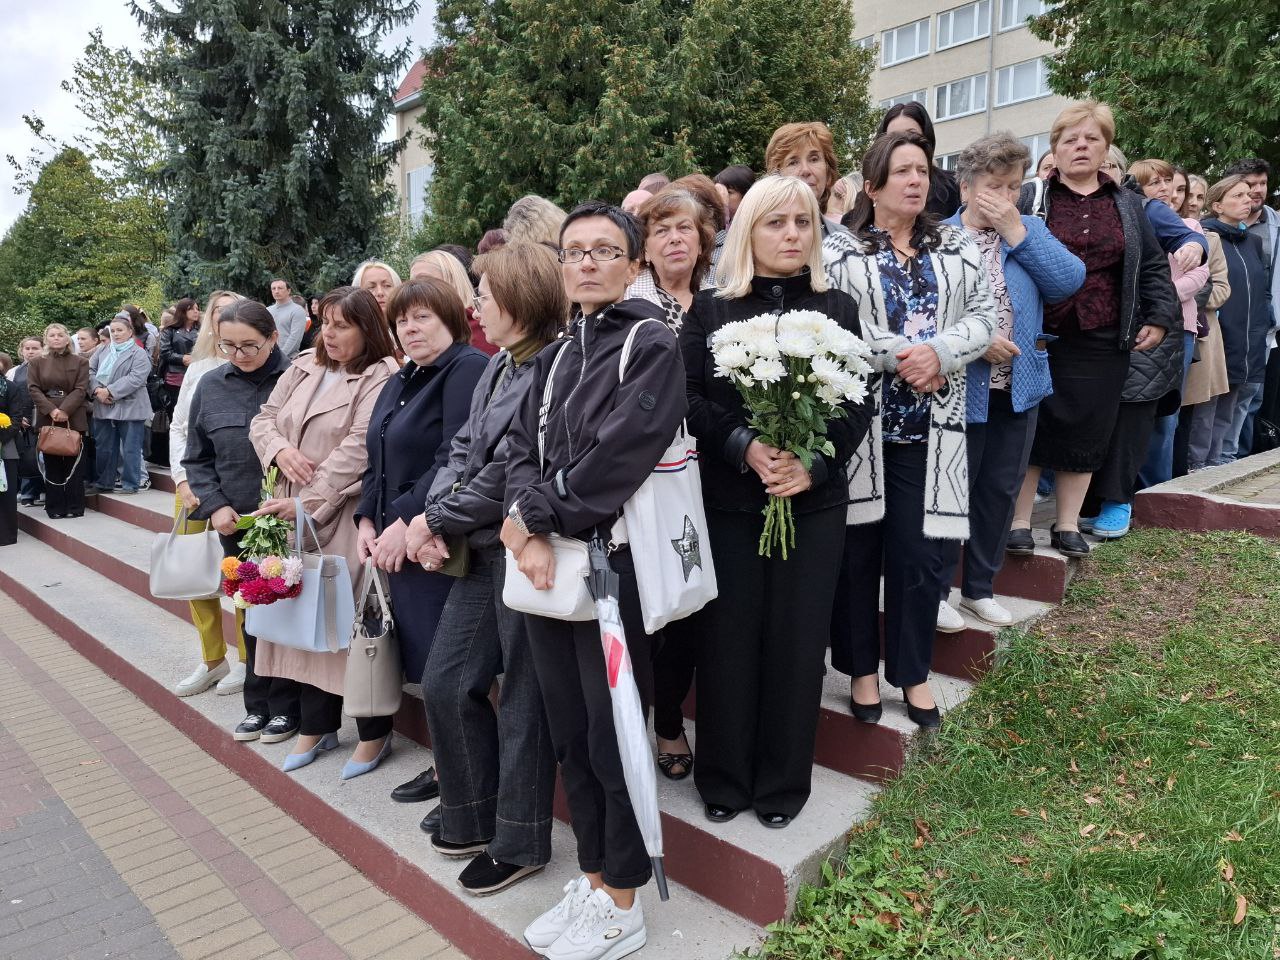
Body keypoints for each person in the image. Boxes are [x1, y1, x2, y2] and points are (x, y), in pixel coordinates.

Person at [501, 201, 686, 959]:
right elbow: (519, 446)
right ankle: (594, 874)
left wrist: (537, 521)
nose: (585, 262)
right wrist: (528, 522)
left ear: (634, 265)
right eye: (574, 251)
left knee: (612, 734)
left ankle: (626, 898)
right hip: (551, 565)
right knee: (570, 731)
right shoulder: (553, 355)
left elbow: (622, 452)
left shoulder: (650, 342)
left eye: (604, 250)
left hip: (612, 567)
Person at [683, 175, 873, 826]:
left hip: (812, 508)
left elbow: (855, 402)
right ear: (748, 232)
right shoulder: (710, 311)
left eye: (803, 222)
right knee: (728, 641)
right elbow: (690, 398)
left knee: (796, 643)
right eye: (776, 222)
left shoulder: (838, 308)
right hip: (732, 503)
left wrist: (812, 468)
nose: (792, 234)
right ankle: (725, 780)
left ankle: (782, 786)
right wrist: (744, 446)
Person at [404, 242, 567, 894]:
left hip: (523, 550)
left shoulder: (552, 366)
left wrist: (433, 519)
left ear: (519, 300)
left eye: (486, 293)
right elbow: (464, 449)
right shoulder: (501, 364)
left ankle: (521, 838)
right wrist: (434, 512)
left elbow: (506, 476)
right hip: (479, 549)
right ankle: (471, 812)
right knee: (446, 680)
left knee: (527, 699)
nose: (476, 303)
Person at [824, 131, 995, 728]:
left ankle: (913, 673)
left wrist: (941, 353)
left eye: (922, 170)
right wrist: (904, 355)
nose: (916, 181)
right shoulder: (842, 252)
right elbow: (839, 326)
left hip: (932, 427)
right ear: (872, 186)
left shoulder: (957, 244)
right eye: (901, 171)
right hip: (863, 429)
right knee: (857, 553)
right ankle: (862, 672)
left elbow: (985, 316)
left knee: (920, 560)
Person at [1007, 102, 1177, 558]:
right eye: (1070, 139)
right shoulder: (1031, 197)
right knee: (1033, 425)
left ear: (1105, 149)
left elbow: (1154, 266)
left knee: (1089, 428)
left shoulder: (1128, 204)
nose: (1081, 147)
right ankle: (1020, 521)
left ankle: (1066, 525)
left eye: (1091, 139)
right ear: (1055, 148)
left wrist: (1159, 317)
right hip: (1038, 333)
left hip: (1103, 335)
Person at [935, 133, 1084, 628]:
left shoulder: (1028, 231)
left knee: (1000, 489)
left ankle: (980, 587)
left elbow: (1067, 281)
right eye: (993, 184)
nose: (1004, 195)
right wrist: (977, 343)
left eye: (1013, 185)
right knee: (953, 490)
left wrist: (1018, 230)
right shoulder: (940, 237)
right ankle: (938, 591)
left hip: (1019, 385)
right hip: (960, 388)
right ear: (966, 186)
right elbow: (929, 316)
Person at [249, 287, 399, 774]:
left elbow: (359, 446)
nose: (329, 334)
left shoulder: (381, 374)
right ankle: (317, 726)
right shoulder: (302, 366)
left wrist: (306, 503)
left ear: (367, 329)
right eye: (325, 323)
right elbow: (264, 418)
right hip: (286, 507)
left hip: (339, 512)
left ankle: (374, 734)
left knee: (342, 626)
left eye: (343, 325)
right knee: (303, 623)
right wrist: (278, 451)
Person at [352, 279, 487, 781]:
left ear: (452, 318)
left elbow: (456, 456)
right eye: (402, 320)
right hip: (394, 538)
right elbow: (378, 457)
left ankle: (462, 768)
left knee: (448, 664)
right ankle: (447, 761)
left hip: (437, 535)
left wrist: (405, 519)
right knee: (427, 659)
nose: (410, 328)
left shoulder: (465, 369)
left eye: (423, 317)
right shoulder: (402, 378)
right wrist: (368, 517)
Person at [184, 299, 300, 743]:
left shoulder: (298, 379)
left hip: (290, 519)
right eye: (229, 346)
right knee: (252, 614)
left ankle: (290, 706)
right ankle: (258, 704)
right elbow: (197, 456)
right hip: (238, 522)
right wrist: (214, 505)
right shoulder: (212, 385)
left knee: (289, 614)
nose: (240, 355)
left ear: (273, 337)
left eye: (250, 345)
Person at [169, 291, 249, 698]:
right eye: (218, 312)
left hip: (236, 488)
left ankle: (248, 660)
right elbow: (180, 426)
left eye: (234, 311)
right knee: (193, 575)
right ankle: (212, 659)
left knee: (240, 576)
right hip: (193, 487)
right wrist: (182, 481)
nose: (226, 318)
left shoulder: (258, 367)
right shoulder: (200, 368)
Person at [1131, 160, 1210, 491]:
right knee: (1131, 413)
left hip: (1179, 328)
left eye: (1169, 182)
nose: (1164, 189)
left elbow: (1200, 276)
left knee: (1165, 417)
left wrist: (1156, 298)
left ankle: (1156, 492)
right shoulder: (1133, 221)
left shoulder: (1189, 225)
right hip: (1133, 326)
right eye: (1154, 183)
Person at [1201, 175, 1272, 464]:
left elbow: (1262, 290)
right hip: (1219, 336)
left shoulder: (1253, 242)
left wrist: (1262, 326)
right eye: (1239, 195)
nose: (1248, 199)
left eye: (1249, 194)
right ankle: (1199, 465)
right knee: (1209, 409)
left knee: (1239, 405)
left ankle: (1224, 461)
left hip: (1251, 338)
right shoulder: (1205, 237)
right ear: (1217, 205)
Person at [1221, 158, 1280, 456]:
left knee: (1256, 399)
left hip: (1268, 327)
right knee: (1230, 399)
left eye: (1262, 184)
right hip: (1232, 326)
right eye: (1249, 186)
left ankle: (1245, 458)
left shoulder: (1274, 224)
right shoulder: (1219, 230)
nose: (1257, 191)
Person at [1181, 212, 1232, 471]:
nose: (1191, 203)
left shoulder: (1211, 241)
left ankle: (1195, 465)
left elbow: (1221, 288)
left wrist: (1189, 294)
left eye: (1198, 198)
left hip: (1202, 333)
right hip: (1163, 329)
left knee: (1202, 407)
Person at [27, 325, 90, 519]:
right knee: (52, 463)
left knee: (74, 463)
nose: (56, 338)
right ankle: (54, 507)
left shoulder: (80, 361)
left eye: (60, 335)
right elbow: (33, 388)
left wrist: (64, 410)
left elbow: (81, 389)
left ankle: (74, 506)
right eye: (52, 335)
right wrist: (52, 410)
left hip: (73, 414)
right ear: (46, 339)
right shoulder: (37, 362)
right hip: (48, 415)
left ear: (67, 339)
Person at [626, 188, 716, 322]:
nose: (675, 238)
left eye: (684, 227)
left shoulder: (720, 300)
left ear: (700, 244)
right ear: (645, 249)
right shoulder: (625, 299)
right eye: (662, 230)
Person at [86, 316, 152, 497]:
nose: (115, 334)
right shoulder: (102, 350)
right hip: (103, 405)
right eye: (113, 331)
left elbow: (136, 378)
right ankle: (104, 482)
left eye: (120, 330)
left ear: (130, 332)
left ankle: (131, 483)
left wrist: (110, 391)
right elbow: (89, 371)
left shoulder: (139, 353)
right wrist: (97, 390)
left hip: (130, 405)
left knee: (130, 447)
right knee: (104, 447)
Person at [876, 102, 961, 218]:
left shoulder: (954, 185)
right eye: (893, 136)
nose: (903, 142)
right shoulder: (870, 191)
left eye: (911, 134)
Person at [764, 122, 846, 235]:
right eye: (793, 162)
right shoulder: (758, 236)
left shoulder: (845, 240)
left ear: (828, 172)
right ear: (776, 174)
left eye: (814, 159)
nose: (805, 170)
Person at [410, 250, 495, 356]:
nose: (415, 289)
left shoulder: (482, 324)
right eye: (412, 283)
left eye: (425, 281)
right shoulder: (416, 329)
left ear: (453, 282)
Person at [11, 337, 44, 507]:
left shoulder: (45, 367)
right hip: (21, 419)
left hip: (42, 416)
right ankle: (28, 492)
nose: (30, 351)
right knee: (26, 456)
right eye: (27, 348)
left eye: (35, 348)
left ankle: (44, 491)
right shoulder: (16, 370)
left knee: (42, 455)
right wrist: (17, 417)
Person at [268, 278, 308, 358]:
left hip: (289, 359)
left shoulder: (297, 310)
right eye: (273, 288)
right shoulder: (267, 310)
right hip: (269, 357)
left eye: (280, 288)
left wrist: (280, 356)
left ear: (288, 291)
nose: (276, 291)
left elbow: (295, 338)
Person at [0, 370, 17, 545]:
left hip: (5, 444)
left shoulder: (10, 387)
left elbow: (17, 417)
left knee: (6, 490)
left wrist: (2, 436)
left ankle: (6, 534)